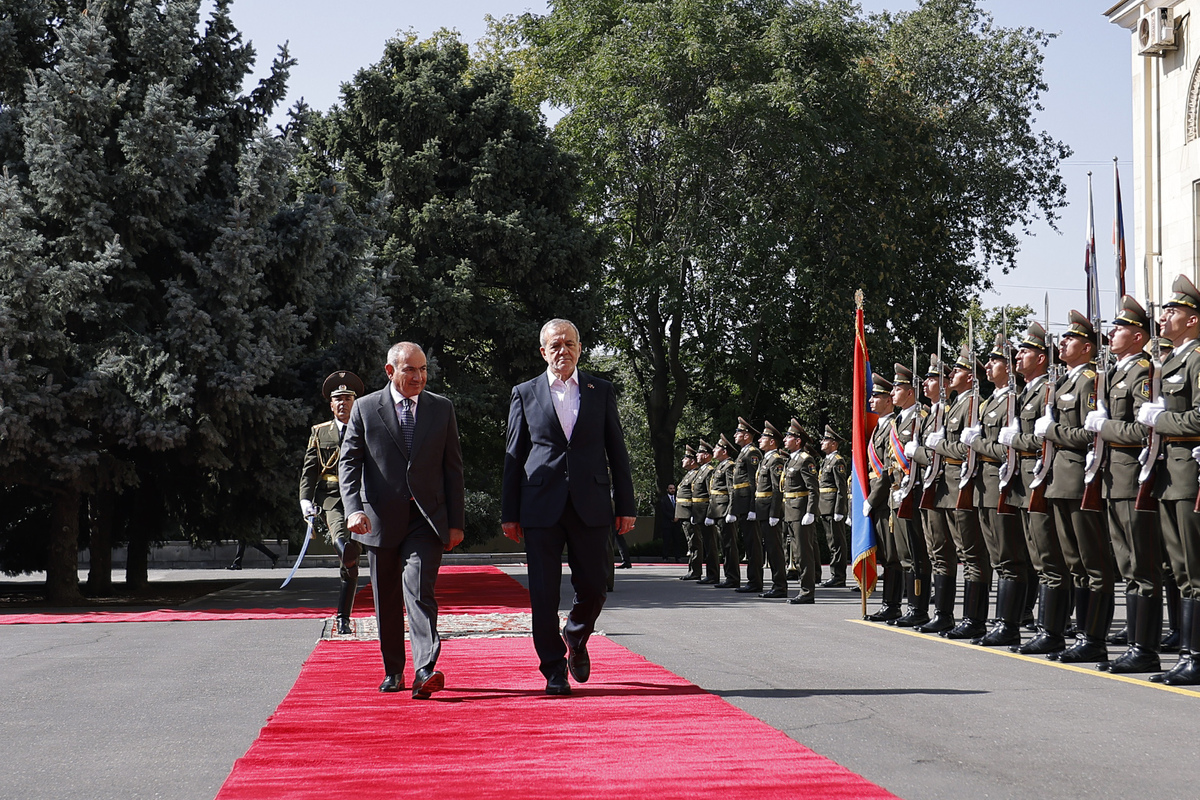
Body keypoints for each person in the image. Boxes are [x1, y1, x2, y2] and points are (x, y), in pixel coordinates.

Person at [501, 319, 636, 696]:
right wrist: (509, 512)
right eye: (556, 345)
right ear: (543, 352)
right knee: (543, 594)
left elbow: (617, 450)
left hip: (591, 504)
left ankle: (575, 636)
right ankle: (553, 669)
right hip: (540, 505)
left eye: (570, 343)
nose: (563, 350)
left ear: (579, 348)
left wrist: (625, 504)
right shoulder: (525, 393)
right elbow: (514, 456)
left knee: (595, 585)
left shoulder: (600, 390)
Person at [339, 342, 465, 698]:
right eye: (410, 369)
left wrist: (456, 522)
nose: (419, 376)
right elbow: (349, 463)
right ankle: (393, 670)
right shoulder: (366, 408)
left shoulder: (441, 408)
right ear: (390, 371)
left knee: (420, 589)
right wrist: (353, 509)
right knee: (387, 598)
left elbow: (453, 468)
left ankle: (425, 669)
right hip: (378, 519)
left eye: (423, 369)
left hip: (426, 519)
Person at [1086, 296, 1161, 673]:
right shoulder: (1114, 373)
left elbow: (1142, 431)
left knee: (1139, 565)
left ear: (1137, 336)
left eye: (1119, 328)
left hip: (1132, 479)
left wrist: (1105, 427)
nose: (1112, 333)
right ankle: (1134, 645)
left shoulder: (1142, 372)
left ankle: (1144, 649)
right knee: (1127, 565)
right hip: (1112, 479)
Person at [1137, 275, 1200, 685]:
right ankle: (1188, 654)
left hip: (1189, 476)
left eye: (1172, 311)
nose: (1162, 318)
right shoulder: (1171, 361)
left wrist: (1160, 420)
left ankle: (1196, 656)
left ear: (1192, 319)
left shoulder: (1196, 359)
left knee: (1195, 570)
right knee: (1181, 571)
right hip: (1167, 477)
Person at [298, 370, 366, 635]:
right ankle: (344, 550)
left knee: (351, 564)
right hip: (331, 496)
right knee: (341, 537)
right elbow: (310, 470)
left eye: (348, 398)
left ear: (354, 402)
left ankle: (343, 617)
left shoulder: (365, 428)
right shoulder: (320, 432)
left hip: (359, 496)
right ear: (331, 404)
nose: (343, 403)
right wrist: (305, 499)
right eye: (338, 399)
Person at [781, 420, 820, 605]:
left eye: (788, 436)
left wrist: (810, 512)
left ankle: (807, 591)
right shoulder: (791, 459)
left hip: (800, 512)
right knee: (797, 553)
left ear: (797, 441)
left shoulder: (805, 459)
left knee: (804, 553)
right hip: (790, 511)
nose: (785, 439)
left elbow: (813, 489)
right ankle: (803, 589)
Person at [754, 420, 790, 599]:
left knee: (774, 549)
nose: (759, 440)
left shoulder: (775, 460)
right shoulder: (766, 459)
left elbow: (777, 489)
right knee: (770, 548)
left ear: (772, 441)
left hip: (770, 511)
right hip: (763, 509)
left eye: (763, 437)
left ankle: (780, 586)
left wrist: (774, 513)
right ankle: (777, 585)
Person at [817, 426, 848, 588]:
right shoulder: (827, 460)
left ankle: (838, 576)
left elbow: (841, 488)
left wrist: (839, 510)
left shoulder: (837, 461)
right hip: (825, 506)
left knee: (837, 542)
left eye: (826, 440)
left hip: (832, 507)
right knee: (831, 542)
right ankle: (835, 574)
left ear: (834, 444)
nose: (822, 442)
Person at [709, 434, 742, 589]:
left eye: (716, 448)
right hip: (718, 510)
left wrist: (731, 511)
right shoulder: (721, 466)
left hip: (724, 511)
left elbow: (732, 490)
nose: (714, 450)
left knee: (729, 545)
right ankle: (729, 576)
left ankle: (733, 577)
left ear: (724, 451)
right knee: (724, 545)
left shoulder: (729, 466)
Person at [656, 484, 683, 562]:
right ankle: (665, 557)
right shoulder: (663, 499)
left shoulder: (678, 499)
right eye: (670, 488)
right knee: (666, 541)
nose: (672, 490)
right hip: (667, 524)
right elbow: (664, 511)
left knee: (677, 541)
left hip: (676, 524)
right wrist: (672, 517)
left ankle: (678, 557)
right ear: (667, 490)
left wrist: (677, 517)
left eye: (673, 488)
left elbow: (680, 508)